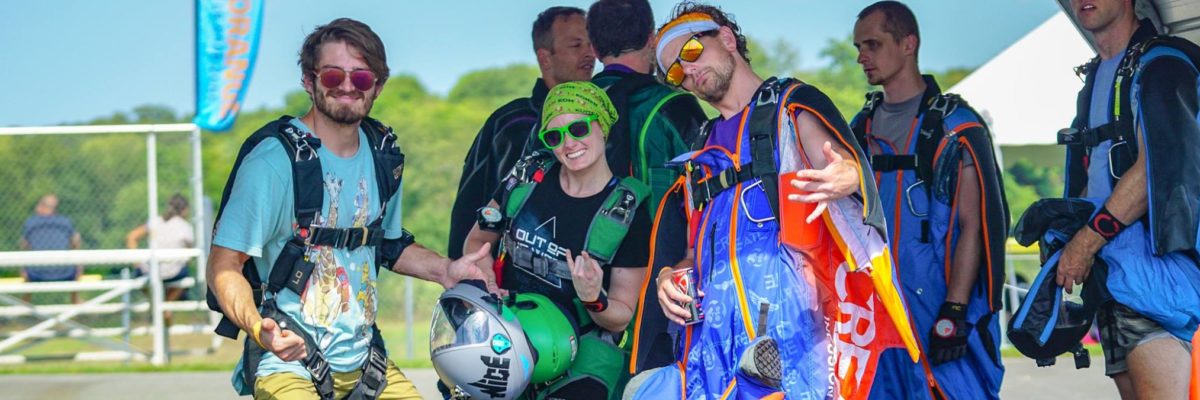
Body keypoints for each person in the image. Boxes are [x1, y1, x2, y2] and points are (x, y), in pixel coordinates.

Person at [628, 3, 919, 399]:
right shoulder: (700, 146)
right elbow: (693, 247)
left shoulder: (787, 107)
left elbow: (844, 167)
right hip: (710, 347)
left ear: (727, 39)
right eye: (676, 71)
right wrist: (668, 276)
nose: (688, 71)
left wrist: (846, 176)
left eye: (692, 53)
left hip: (788, 341)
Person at [206, 18, 488, 399]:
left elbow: (388, 244)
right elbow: (224, 265)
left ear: (377, 86)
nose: (346, 87)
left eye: (361, 78)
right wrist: (259, 328)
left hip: (366, 362)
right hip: (288, 365)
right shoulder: (273, 163)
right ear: (309, 80)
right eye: (333, 75)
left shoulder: (383, 155)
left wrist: (446, 270)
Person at [849, 2, 1008, 399]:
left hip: (941, 311)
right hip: (879, 315)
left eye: (872, 44)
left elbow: (976, 224)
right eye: (858, 47)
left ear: (908, 44)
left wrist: (955, 311)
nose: (861, 57)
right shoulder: (860, 128)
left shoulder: (956, 127)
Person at [463, 81, 651, 399]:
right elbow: (477, 243)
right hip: (512, 333)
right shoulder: (527, 175)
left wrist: (594, 298)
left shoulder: (628, 210)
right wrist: (488, 285)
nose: (569, 143)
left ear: (602, 127)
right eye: (555, 136)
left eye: (578, 128)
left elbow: (621, 317)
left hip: (583, 351)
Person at [1052, 0, 1200, 398]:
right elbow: (1091, 178)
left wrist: (1084, 243)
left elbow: (1155, 169)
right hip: (1117, 280)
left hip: (1161, 283)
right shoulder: (1099, 77)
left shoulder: (1162, 65)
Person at [584, 0, 709, 377]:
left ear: (592, 48)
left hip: (578, 290)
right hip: (661, 292)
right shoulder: (676, 108)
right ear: (653, 39)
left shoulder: (568, 110)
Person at [448, 6, 595, 259]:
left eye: (592, 44)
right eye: (576, 45)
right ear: (545, 58)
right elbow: (470, 205)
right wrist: (464, 275)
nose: (589, 54)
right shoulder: (511, 122)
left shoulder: (599, 120)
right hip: (505, 277)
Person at [126, 193, 195, 301]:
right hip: (174, 272)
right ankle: (167, 305)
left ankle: (155, 302)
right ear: (185, 210)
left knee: (139, 274)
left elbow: (132, 237)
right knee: (186, 271)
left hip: (149, 270)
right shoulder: (185, 227)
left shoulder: (155, 222)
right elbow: (190, 254)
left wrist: (136, 262)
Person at [20, 193, 82, 304]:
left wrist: (23, 269)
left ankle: (26, 300)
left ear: (42, 206)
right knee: (77, 265)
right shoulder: (65, 222)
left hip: (36, 272)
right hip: (65, 271)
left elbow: (25, 246)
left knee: (26, 269)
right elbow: (76, 242)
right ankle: (75, 300)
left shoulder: (31, 222)